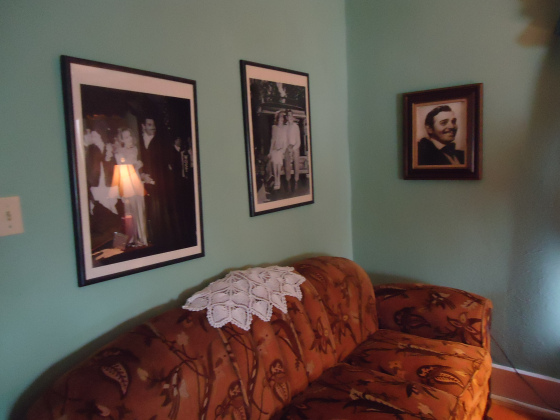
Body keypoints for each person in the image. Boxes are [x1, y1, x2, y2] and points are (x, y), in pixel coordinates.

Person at [114, 128, 148, 247]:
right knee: (130, 212)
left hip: (137, 182)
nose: (130, 139)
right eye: (126, 137)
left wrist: (139, 168)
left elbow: (135, 167)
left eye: (130, 136)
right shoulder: (119, 153)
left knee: (140, 209)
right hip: (127, 183)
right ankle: (131, 239)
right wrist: (135, 166)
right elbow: (123, 170)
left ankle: (142, 239)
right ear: (122, 140)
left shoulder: (135, 149)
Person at [268, 112, 287, 190]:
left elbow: (285, 141)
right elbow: (273, 140)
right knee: (274, 164)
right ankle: (276, 180)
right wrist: (270, 151)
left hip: (281, 150)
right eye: (279, 118)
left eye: (282, 118)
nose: (281, 120)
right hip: (275, 149)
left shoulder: (285, 128)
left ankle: (278, 181)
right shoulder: (274, 127)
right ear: (277, 119)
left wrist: (282, 150)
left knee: (278, 165)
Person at [284, 109, 301, 186]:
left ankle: (296, 180)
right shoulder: (285, 127)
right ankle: (288, 181)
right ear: (287, 117)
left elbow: (298, 141)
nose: (290, 117)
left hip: (295, 147)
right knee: (287, 166)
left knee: (296, 164)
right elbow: (284, 139)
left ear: (292, 116)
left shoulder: (296, 126)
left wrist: (293, 148)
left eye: (291, 115)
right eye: (288, 115)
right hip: (287, 147)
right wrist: (288, 148)